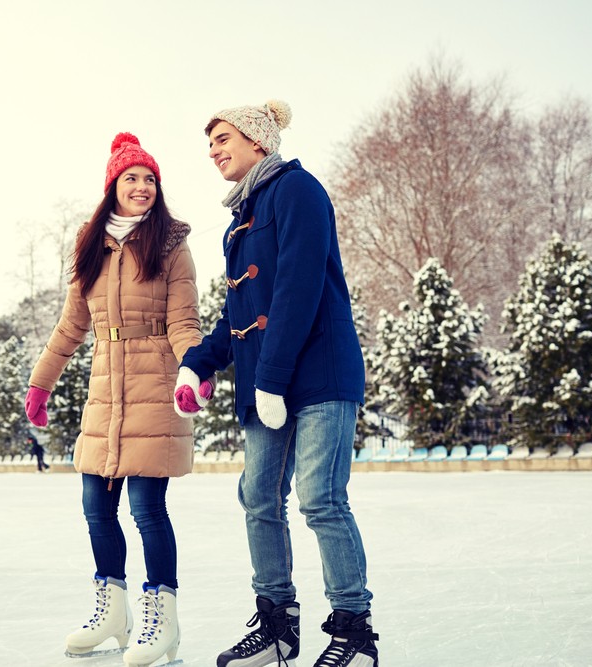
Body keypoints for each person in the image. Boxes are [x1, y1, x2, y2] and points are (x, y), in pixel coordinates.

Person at [174, 100, 379, 667]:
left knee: (321, 500)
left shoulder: (298, 190)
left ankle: (355, 632)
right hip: (269, 385)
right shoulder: (242, 217)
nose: (213, 150)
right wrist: (199, 361)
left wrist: (270, 378)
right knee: (258, 497)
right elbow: (240, 312)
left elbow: (297, 289)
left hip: (316, 374)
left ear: (258, 140)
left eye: (222, 138)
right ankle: (277, 626)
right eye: (209, 143)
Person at [24, 132, 211, 667]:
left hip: (154, 387)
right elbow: (70, 326)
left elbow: (183, 322)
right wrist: (42, 382)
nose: (143, 187)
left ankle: (163, 622)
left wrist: (193, 370)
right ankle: (113, 613)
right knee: (96, 508)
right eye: (132, 178)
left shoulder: (171, 244)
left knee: (149, 511)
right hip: (106, 394)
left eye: (150, 179)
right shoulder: (91, 246)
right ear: (112, 186)